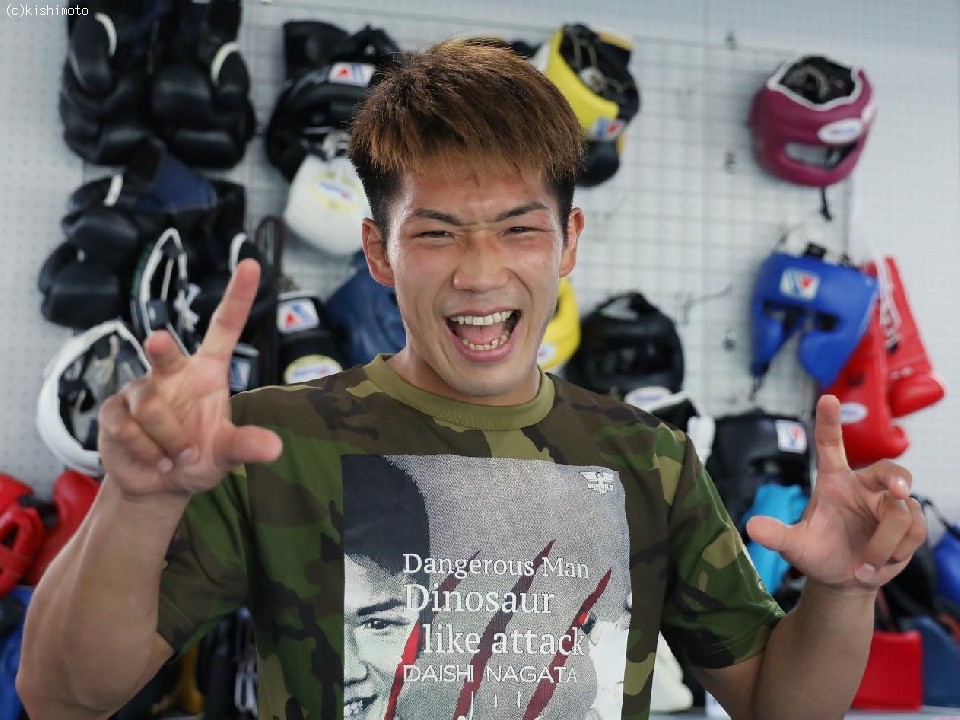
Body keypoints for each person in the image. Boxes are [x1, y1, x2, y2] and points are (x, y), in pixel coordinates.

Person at [17, 38, 926, 720]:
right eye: (437, 232)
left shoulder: (648, 460)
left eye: (520, 229)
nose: (482, 273)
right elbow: (60, 697)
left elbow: (777, 705)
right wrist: (136, 501)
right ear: (379, 251)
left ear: (568, 243)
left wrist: (844, 592)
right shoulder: (269, 440)